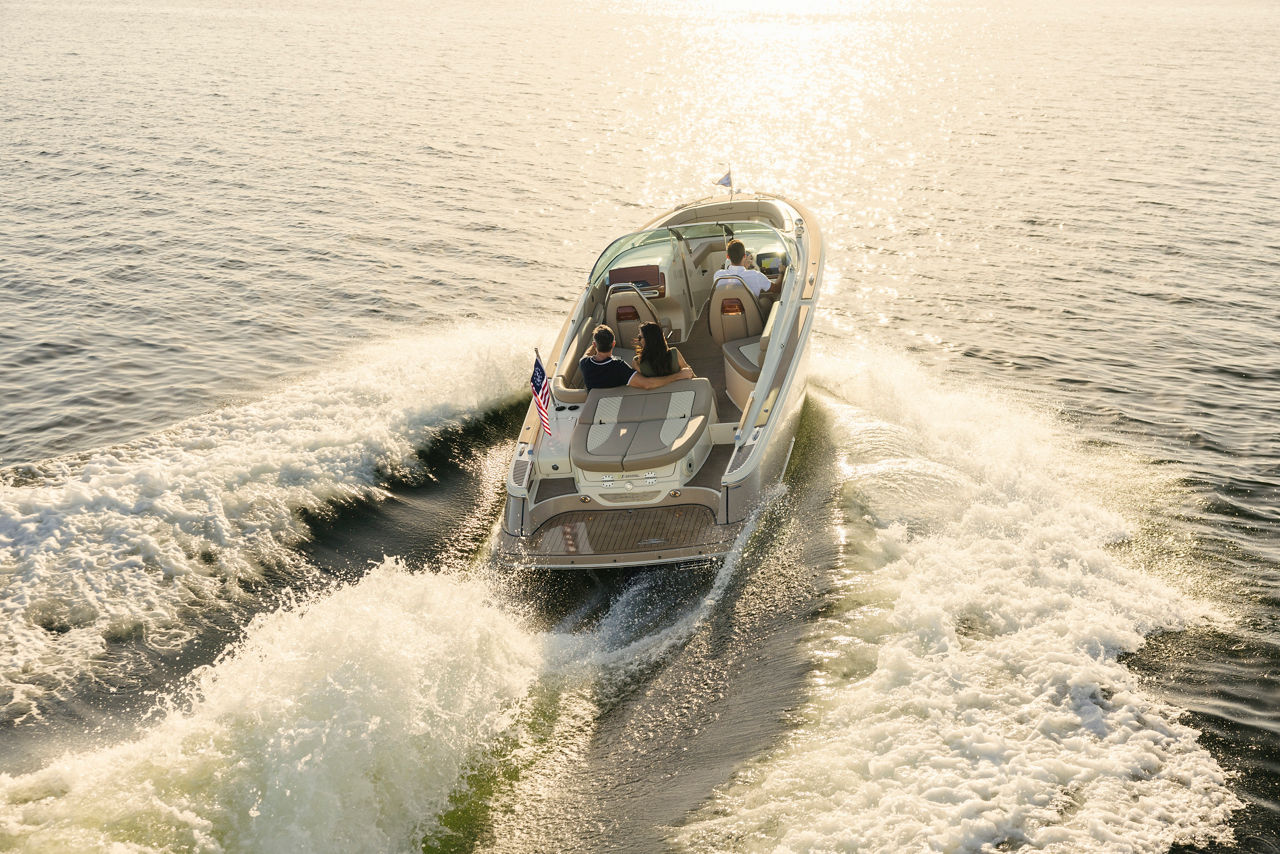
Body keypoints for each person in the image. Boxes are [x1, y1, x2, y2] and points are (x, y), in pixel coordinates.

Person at [579, 324, 693, 390]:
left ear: (594, 345)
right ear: (613, 344)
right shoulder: (620, 367)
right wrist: (678, 376)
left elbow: (586, 355)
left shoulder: (584, 364)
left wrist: (597, 342)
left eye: (640, 337)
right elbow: (647, 384)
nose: (638, 339)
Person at [713, 239, 783, 299]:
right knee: (767, 300)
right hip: (751, 313)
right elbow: (777, 289)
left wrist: (744, 267)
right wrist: (781, 272)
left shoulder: (718, 275)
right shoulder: (756, 275)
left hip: (726, 313)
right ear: (744, 256)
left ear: (728, 257)